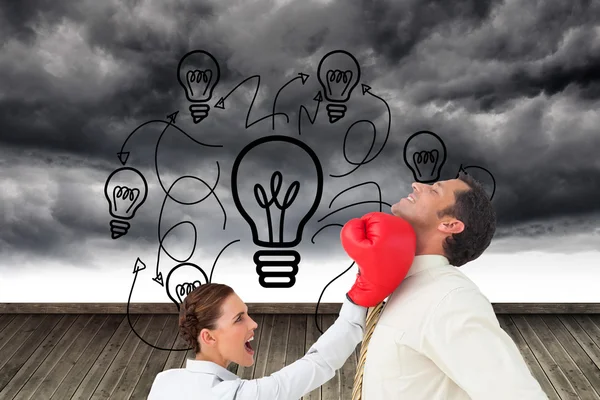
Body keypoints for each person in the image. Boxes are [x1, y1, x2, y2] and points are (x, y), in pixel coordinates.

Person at [148, 213, 417, 399]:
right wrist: (361, 294)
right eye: (239, 318)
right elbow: (319, 363)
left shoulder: (165, 382)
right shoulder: (231, 396)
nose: (253, 324)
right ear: (208, 336)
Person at [360, 172, 549, 399]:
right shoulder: (407, 288)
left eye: (434, 190)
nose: (417, 185)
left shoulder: (452, 299)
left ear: (450, 224)